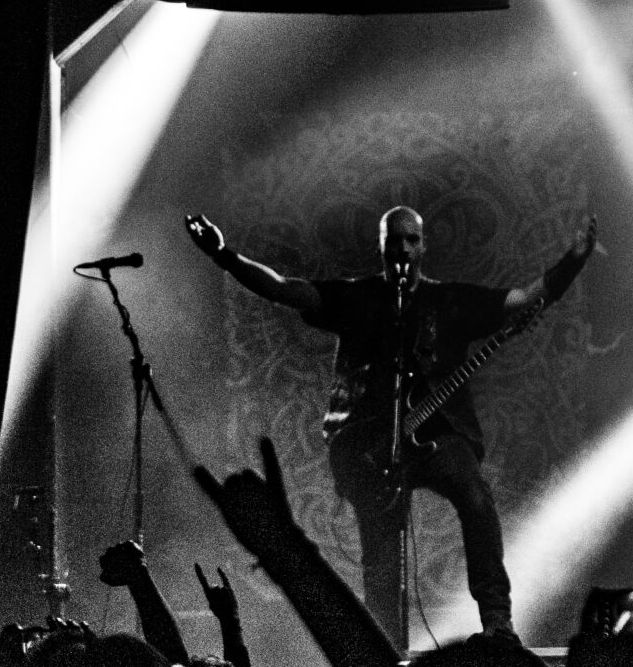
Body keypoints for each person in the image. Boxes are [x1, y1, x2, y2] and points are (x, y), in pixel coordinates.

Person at [184, 203, 595, 644]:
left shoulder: (450, 301)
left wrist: (573, 261)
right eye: (394, 240)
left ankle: (497, 620)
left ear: (423, 246)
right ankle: (384, 643)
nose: (403, 249)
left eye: (411, 240)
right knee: (380, 548)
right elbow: (285, 289)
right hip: (369, 444)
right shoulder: (357, 298)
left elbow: (524, 299)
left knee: (475, 496)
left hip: (438, 435)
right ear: (381, 247)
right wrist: (224, 255)